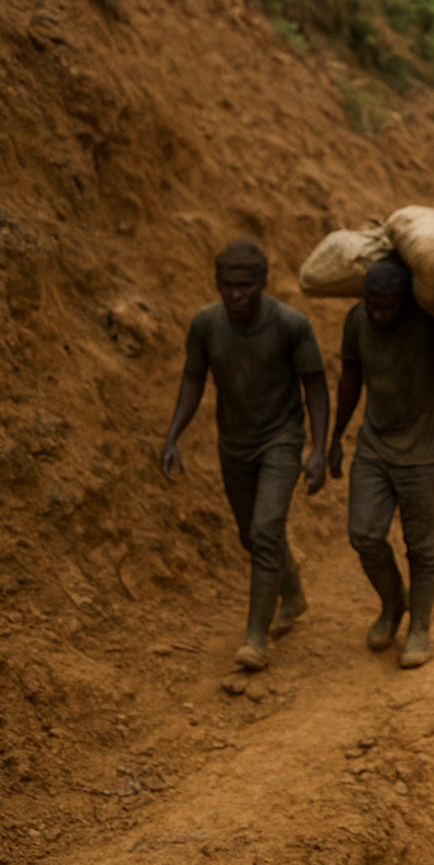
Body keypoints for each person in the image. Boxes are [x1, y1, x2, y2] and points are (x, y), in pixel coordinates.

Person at [160, 239, 329, 672]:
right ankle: (293, 595)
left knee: (266, 529)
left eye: (246, 285)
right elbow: (193, 380)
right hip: (233, 445)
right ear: (217, 283)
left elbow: (314, 387)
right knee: (253, 537)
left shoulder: (291, 325)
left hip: (281, 441)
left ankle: (255, 636)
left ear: (263, 283)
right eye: (228, 285)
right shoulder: (206, 324)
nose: (237, 294)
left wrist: (318, 449)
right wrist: (173, 436)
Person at [327, 252, 434, 669]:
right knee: (364, 534)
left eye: (388, 305)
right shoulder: (357, 320)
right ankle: (394, 604)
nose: (378, 314)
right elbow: (351, 379)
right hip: (374, 447)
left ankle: (419, 628)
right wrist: (335, 438)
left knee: (423, 549)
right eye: (372, 304)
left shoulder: (431, 319)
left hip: (426, 453)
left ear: (406, 298)